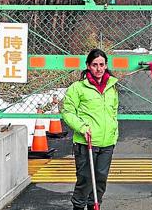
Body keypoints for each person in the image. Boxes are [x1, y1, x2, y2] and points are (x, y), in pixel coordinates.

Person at [61, 49, 119, 210]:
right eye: (94, 65)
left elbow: (113, 112)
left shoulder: (112, 87)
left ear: (106, 66)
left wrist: (114, 133)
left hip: (107, 142)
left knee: (100, 180)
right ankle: (78, 207)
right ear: (88, 66)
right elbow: (67, 112)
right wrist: (82, 127)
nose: (99, 69)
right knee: (85, 179)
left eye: (102, 65)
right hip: (86, 142)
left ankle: (94, 205)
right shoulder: (78, 88)